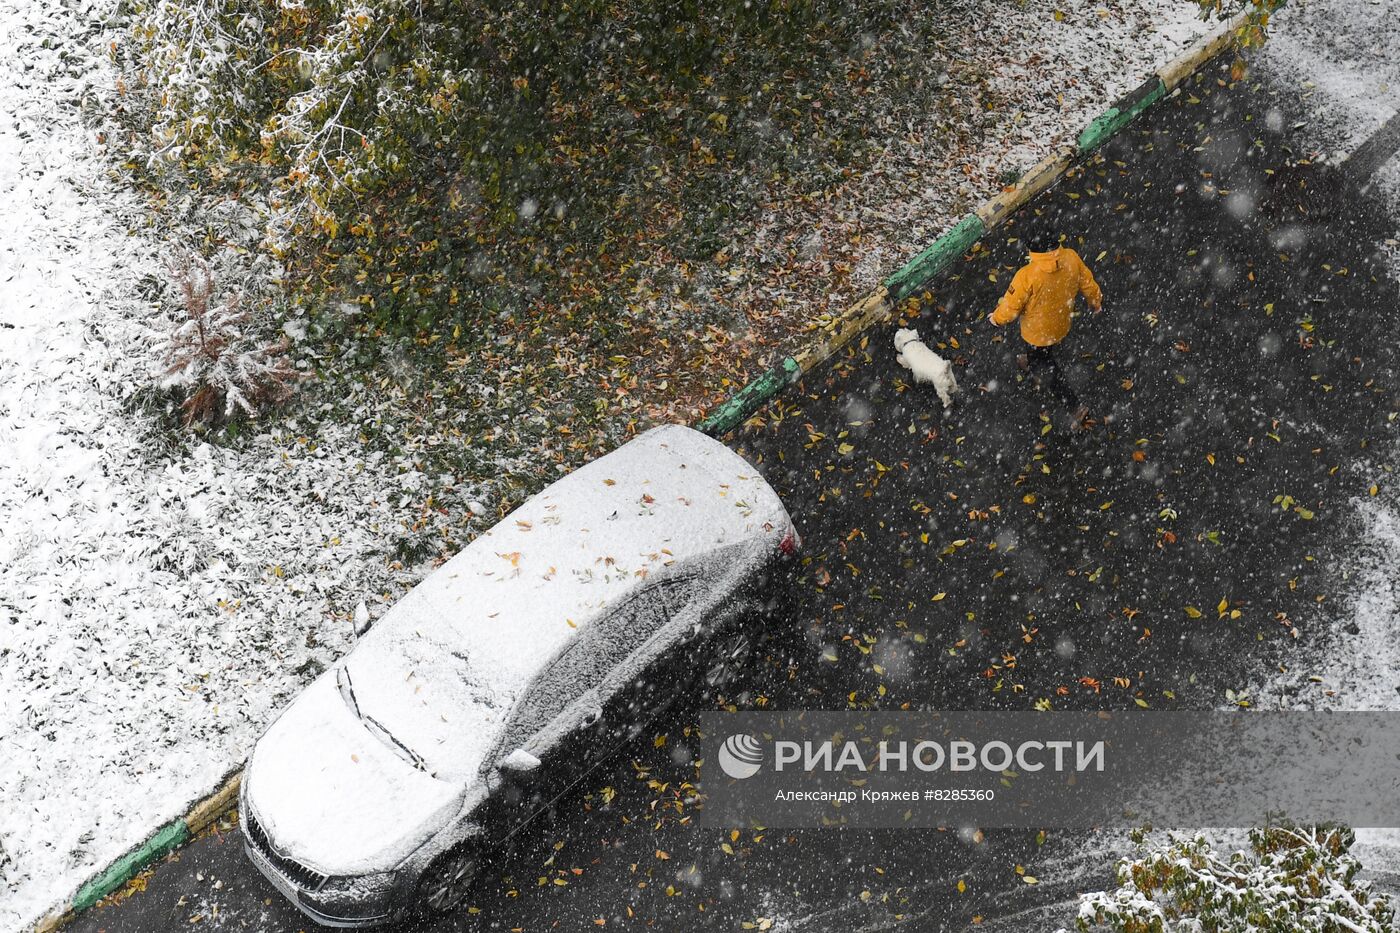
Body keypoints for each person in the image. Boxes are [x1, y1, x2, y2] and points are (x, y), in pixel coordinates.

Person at [987, 230, 1102, 427]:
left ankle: (1075, 406)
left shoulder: (1027, 275)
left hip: (1036, 332)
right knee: (1045, 351)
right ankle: (1032, 362)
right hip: (1061, 323)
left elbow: (1011, 307)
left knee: (1047, 367)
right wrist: (1095, 302)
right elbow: (1088, 284)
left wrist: (996, 319)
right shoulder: (1071, 257)